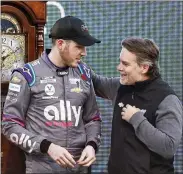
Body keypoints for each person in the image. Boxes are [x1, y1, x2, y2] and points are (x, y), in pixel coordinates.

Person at [2, 16, 102, 174]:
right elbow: (9, 125)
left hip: (80, 169)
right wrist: (47, 146)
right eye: (79, 47)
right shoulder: (27, 75)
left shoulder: (84, 73)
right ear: (61, 44)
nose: (84, 53)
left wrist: (91, 145)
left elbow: (92, 119)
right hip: (42, 168)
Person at [92, 37, 182, 174]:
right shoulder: (120, 86)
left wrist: (137, 119)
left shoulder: (167, 99)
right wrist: (71, 57)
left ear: (144, 67)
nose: (119, 67)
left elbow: (168, 147)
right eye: (119, 61)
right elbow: (94, 82)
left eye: (125, 64)